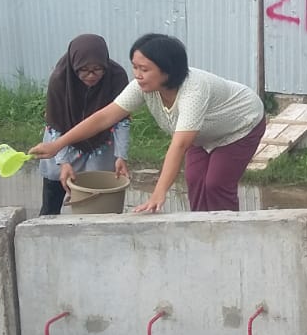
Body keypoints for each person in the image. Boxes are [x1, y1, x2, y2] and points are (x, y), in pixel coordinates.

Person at [30, 33, 266, 212]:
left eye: (144, 69)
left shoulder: (194, 89)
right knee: (195, 180)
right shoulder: (143, 86)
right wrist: (57, 144)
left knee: (215, 183)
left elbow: (180, 145)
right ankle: (202, 228)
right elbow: (105, 116)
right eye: (134, 67)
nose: (137, 74)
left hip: (240, 124)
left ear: (168, 71)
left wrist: (158, 194)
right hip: (203, 132)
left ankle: (226, 235)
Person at [38, 34, 131, 216]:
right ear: (73, 67)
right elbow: (56, 124)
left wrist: (121, 156)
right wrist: (63, 162)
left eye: (97, 69)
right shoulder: (60, 79)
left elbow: (121, 119)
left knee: (96, 199)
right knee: (52, 199)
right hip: (61, 143)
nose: (91, 75)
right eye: (84, 70)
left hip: (100, 145)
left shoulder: (117, 76)